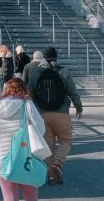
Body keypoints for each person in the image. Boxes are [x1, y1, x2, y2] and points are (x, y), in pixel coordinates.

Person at [27, 46, 82, 186]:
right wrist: (78, 106)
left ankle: (51, 177)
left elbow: (29, 94)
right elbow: (72, 91)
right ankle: (57, 164)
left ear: (43, 58)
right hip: (61, 112)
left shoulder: (35, 72)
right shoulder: (63, 71)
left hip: (42, 114)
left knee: (48, 145)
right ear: (56, 58)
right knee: (66, 141)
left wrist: (30, 113)